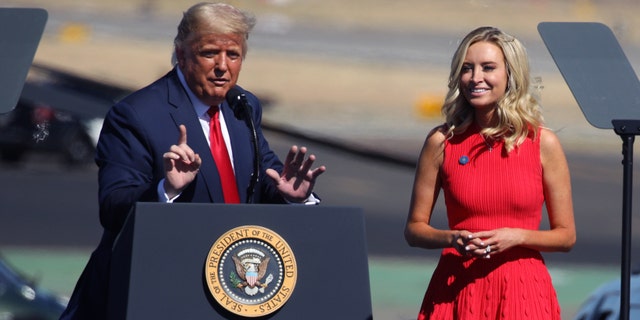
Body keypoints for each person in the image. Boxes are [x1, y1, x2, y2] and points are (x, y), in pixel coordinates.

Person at [60, 2, 325, 319]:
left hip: (230, 292)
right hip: (153, 293)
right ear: (182, 54)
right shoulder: (136, 115)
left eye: (233, 55)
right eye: (210, 53)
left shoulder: (243, 106)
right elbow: (113, 205)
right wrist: (166, 190)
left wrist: (290, 194)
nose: (222, 66)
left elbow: (259, 177)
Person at [404, 26, 576, 319]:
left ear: (511, 75)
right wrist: (451, 238)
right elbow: (414, 229)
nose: (476, 78)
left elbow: (566, 236)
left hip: (522, 291)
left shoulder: (542, 143)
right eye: (467, 68)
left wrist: (517, 236)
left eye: (488, 68)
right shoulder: (441, 142)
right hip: (455, 288)